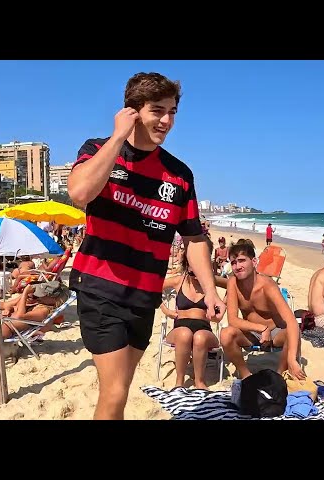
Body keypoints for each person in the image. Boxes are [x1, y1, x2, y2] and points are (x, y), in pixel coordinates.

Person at [66, 72, 226, 420]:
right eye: (158, 110)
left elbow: (194, 237)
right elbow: (80, 192)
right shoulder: (98, 150)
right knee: (115, 390)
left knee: (120, 390)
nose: (167, 120)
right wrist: (118, 137)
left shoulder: (179, 174)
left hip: (143, 295)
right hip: (100, 286)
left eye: (172, 112)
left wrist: (211, 290)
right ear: (133, 111)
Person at [220, 240, 304, 380]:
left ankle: (279, 374)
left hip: (275, 332)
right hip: (251, 332)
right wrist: (261, 328)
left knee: (293, 333)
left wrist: (292, 359)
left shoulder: (268, 285)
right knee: (226, 334)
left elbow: (291, 321)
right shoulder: (233, 283)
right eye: (233, 262)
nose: (237, 266)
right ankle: (246, 375)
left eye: (242, 261)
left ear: (254, 262)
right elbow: (233, 320)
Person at [160, 236, 228, 389]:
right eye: (192, 270)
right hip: (179, 329)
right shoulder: (179, 280)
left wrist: (223, 304)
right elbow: (154, 288)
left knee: (199, 337)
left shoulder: (210, 281)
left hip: (204, 329)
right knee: (185, 334)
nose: (195, 274)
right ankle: (179, 381)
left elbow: (233, 285)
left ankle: (200, 382)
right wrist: (166, 310)